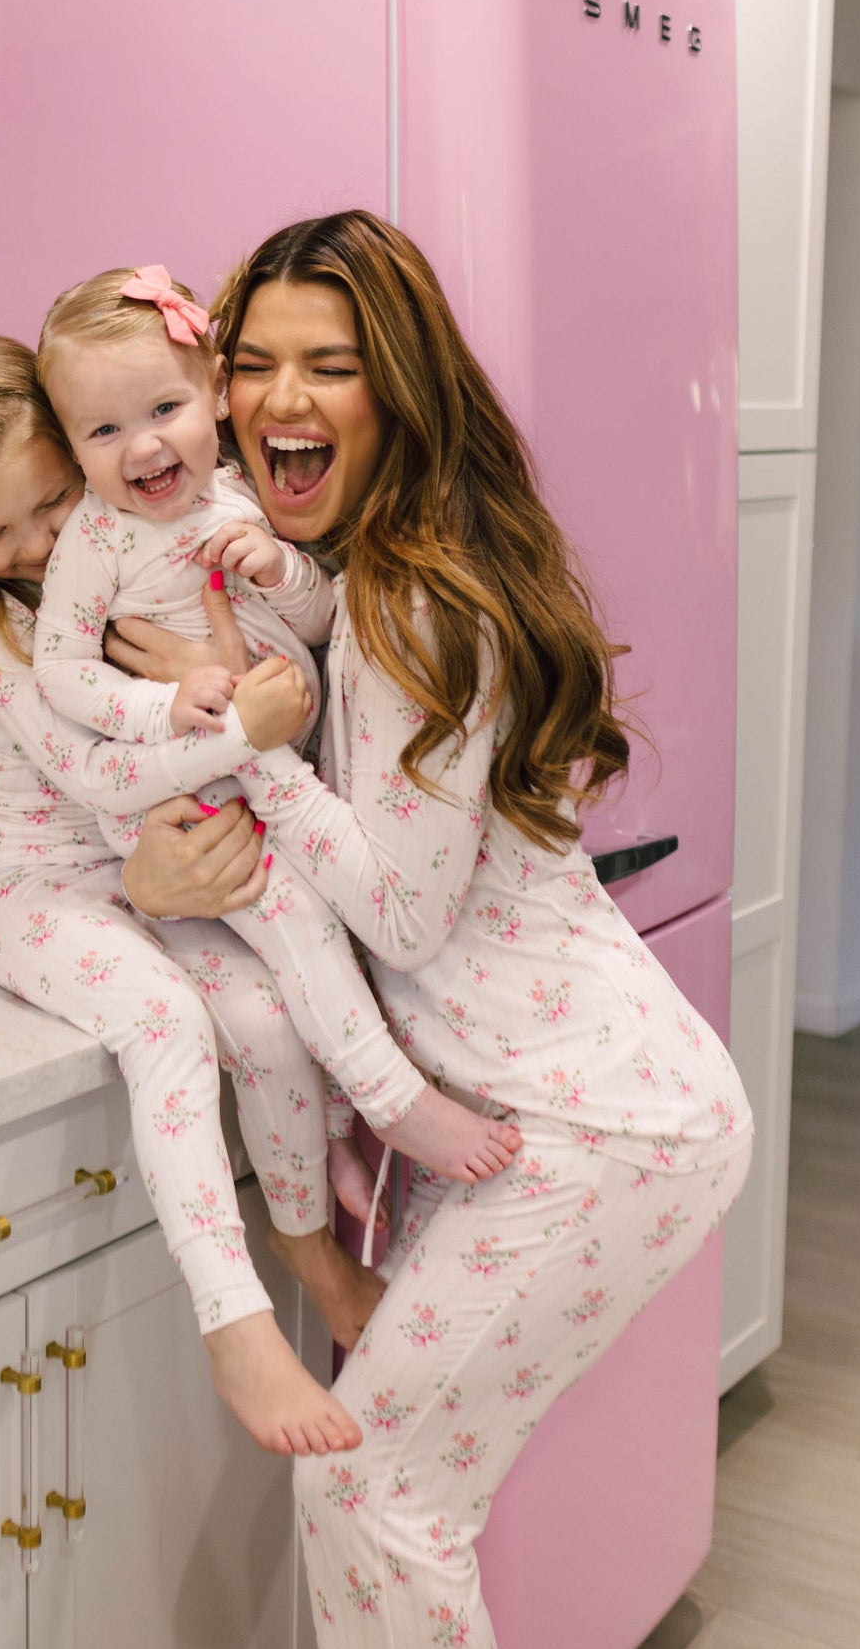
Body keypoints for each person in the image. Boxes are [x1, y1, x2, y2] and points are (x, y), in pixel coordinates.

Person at [112, 211, 754, 1649]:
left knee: (372, 1484)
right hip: (552, 1106)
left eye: (331, 364)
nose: (281, 396)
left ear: (398, 391)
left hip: (596, 1128)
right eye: (251, 360)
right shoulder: (364, 576)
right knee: (387, 1489)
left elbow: (398, 910)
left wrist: (250, 746)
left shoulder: (408, 599)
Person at [0, 324, 374, 1457]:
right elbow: (102, 777)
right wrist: (250, 726)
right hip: (37, 889)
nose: (39, 544)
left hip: (143, 867)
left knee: (262, 1010)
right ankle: (232, 1319)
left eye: (50, 505)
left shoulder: (129, 547)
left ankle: (306, 1243)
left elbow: (284, 634)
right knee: (166, 1022)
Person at [33, 261, 523, 1224]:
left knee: (324, 947)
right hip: (190, 784)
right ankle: (393, 1102)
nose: (141, 446)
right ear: (72, 449)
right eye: (102, 431)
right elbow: (60, 668)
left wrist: (283, 569)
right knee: (299, 927)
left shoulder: (240, 497)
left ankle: (335, 1133)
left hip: (272, 765)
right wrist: (165, 706)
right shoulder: (96, 540)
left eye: (163, 407)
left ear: (214, 393)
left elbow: (321, 618)